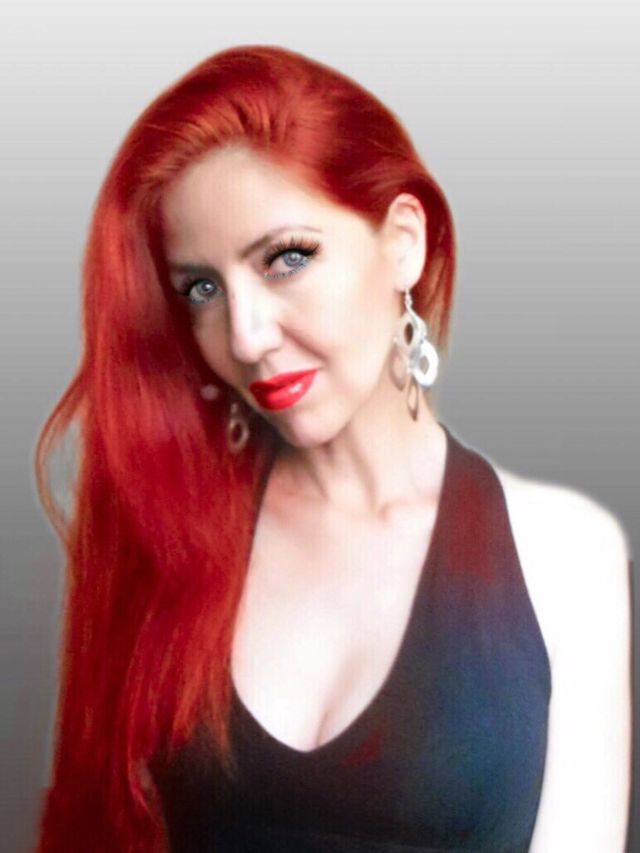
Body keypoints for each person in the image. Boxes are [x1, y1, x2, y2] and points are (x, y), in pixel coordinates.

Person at [33, 44, 632, 852]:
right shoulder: (173, 532)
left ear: (403, 244)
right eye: (202, 288)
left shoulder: (564, 551)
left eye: (287, 258)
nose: (245, 336)